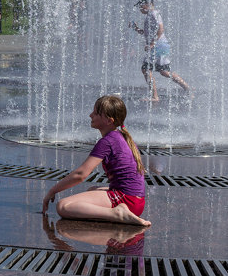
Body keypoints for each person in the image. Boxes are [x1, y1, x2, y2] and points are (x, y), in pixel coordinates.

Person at [41, 94, 150, 227]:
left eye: (96, 113)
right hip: (137, 201)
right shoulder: (122, 137)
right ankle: (119, 211)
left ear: (109, 121)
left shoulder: (107, 142)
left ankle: (118, 213)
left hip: (127, 201)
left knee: (63, 206)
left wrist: (52, 190)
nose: (90, 115)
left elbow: (80, 175)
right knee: (92, 189)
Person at [131, 0, 190, 101]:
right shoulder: (150, 15)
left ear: (146, 4)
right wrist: (136, 29)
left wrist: (153, 43)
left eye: (140, 6)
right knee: (164, 72)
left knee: (146, 69)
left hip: (159, 46)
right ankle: (187, 88)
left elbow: (161, 29)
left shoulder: (154, 14)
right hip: (159, 46)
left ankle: (154, 96)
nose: (139, 9)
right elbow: (147, 33)